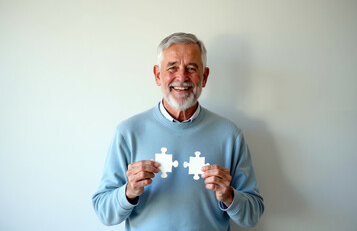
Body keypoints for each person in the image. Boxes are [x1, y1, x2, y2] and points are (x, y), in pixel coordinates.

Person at [92, 32, 264, 231]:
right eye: (172, 68)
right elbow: (104, 212)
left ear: (204, 76)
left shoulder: (229, 134)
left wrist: (229, 196)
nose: (182, 77)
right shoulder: (128, 132)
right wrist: (129, 191)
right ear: (158, 75)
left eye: (191, 68)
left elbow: (252, 216)